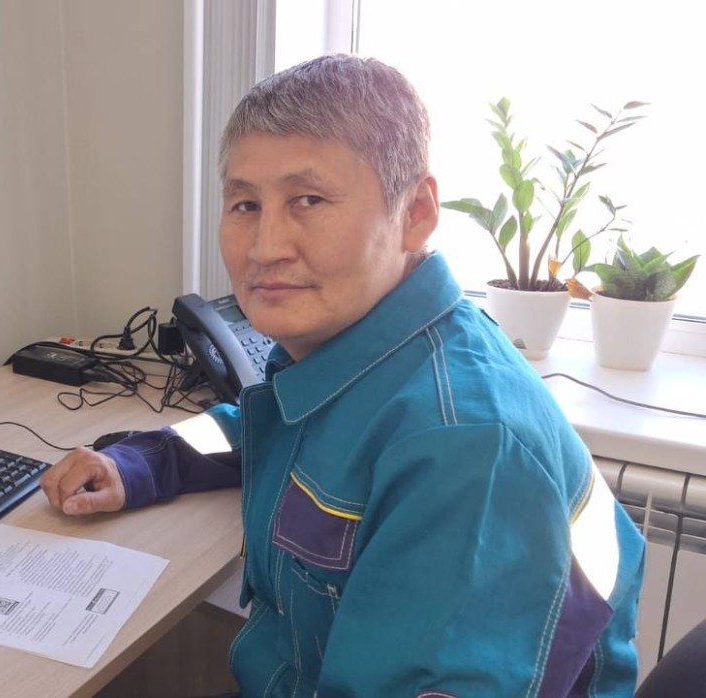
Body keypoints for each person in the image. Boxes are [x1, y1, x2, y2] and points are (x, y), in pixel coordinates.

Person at [39, 54, 645, 697]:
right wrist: (141, 462)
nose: (265, 247)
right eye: (245, 204)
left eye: (308, 200)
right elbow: (262, 428)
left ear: (415, 212)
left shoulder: (463, 447)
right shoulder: (360, 351)